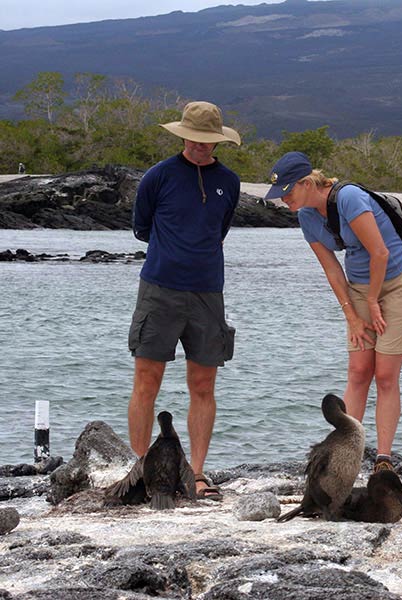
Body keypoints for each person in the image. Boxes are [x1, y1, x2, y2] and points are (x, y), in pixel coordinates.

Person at [264, 151, 402, 473]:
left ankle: (383, 459)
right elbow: (332, 270)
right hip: (360, 286)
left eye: (288, 192)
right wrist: (352, 315)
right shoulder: (306, 217)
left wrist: (374, 300)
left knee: (385, 374)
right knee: (359, 370)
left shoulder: (349, 198)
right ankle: (345, 455)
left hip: (398, 282)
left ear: (308, 183)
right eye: (280, 194)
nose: (283, 199)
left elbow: (380, 253)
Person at [127, 101, 241, 500]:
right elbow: (142, 227)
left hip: (208, 292)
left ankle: (197, 474)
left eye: (207, 140)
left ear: (217, 141)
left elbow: (219, 230)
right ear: (182, 136)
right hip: (159, 288)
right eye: (193, 138)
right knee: (147, 380)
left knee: (203, 384)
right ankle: (143, 472)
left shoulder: (229, 181)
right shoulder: (158, 176)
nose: (199, 145)